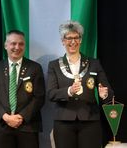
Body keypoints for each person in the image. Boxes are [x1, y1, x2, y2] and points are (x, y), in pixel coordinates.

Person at [47, 20, 114, 148]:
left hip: (90, 121)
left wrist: (104, 95)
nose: (73, 41)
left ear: (81, 40)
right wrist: (69, 91)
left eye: (76, 37)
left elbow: (109, 91)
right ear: (63, 41)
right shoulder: (54, 65)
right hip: (63, 121)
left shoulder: (94, 64)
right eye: (69, 38)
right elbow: (51, 94)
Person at [0, 30, 45, 148]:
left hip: (28, 126)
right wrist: (7, 118)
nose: (17, 47)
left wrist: (21, 117)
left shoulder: (35, 68)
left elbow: (39, 97)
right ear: (6, 45)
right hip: (2, 125)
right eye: (13, 43)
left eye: (21, 44)